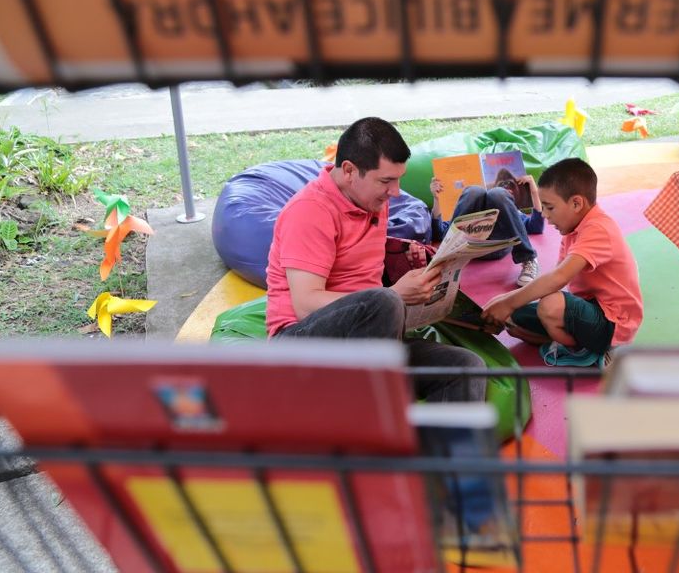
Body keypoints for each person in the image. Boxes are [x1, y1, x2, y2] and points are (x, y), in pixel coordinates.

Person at [265, 117, 486, 403]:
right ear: (349, 171)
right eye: (386, 181)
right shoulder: (310, 211)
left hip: (368, 339)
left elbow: (363, 278)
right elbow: (305, 304)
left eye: (398, 179)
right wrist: (395, 295)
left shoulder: (373, 202)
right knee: (385, 301)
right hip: (300, 347)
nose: (395, 192)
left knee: (467, 366)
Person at [480, 158, 643, 367]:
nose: (545, 215)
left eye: (550, 207)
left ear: (576, 203)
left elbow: (558, 278)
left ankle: (592, 349)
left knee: (549, 306)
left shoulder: (599, 228)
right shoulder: (572, 231)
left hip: (613, 323)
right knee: (514, 319)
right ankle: (564, 338)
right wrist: (506, 301)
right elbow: (552, 280)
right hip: (587, 309)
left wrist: (508, 302)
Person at [430, 169, 543, 287]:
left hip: (497, 245)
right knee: (473, 191)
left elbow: (536, 227)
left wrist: (534, 191)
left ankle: (528, 259)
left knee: (497, 194)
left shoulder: (511, 211)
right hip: (466, 247)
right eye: (502, 184)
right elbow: (438, 233)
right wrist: (436, 199)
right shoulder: (470, 204)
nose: (506, 186)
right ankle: (445, 257)